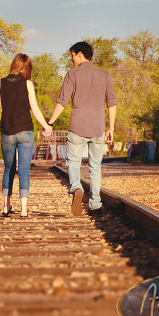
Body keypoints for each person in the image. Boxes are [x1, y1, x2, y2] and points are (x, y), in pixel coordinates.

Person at [48, 41, 117, 216]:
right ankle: (95, 204)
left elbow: (62, 101)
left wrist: (50, 123)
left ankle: (77, 187)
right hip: (97, 128)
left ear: (80, 54)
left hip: (77, 126)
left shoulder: (73, 74)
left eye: (72, 55)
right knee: (95, 167)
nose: (71, 59)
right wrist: (111, 128)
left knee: (73, 162)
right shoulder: (104, 74)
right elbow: (112, 104)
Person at [0, 53, 53, 218]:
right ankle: (24, 210)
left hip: (7, 133)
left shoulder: (0, 83)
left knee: (8, 169)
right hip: (25, 132)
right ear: (26, 68)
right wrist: (46, 126)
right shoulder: (28, 84)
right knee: (24, 170)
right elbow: (35, 109)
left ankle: (6, 206)